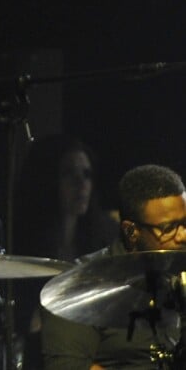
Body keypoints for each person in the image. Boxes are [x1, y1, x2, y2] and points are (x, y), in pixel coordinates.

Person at [41, 163, 186, 369]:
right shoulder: (80, 285)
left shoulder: (177, 275)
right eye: (169, 228)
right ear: (131, 232)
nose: (183, 236)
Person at [11, 134, 119, 368]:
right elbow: (28, 324)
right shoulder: (23, 249)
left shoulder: (105, 240)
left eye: (87, 174)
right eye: (69, 173)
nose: (81, 184)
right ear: (48, 181)